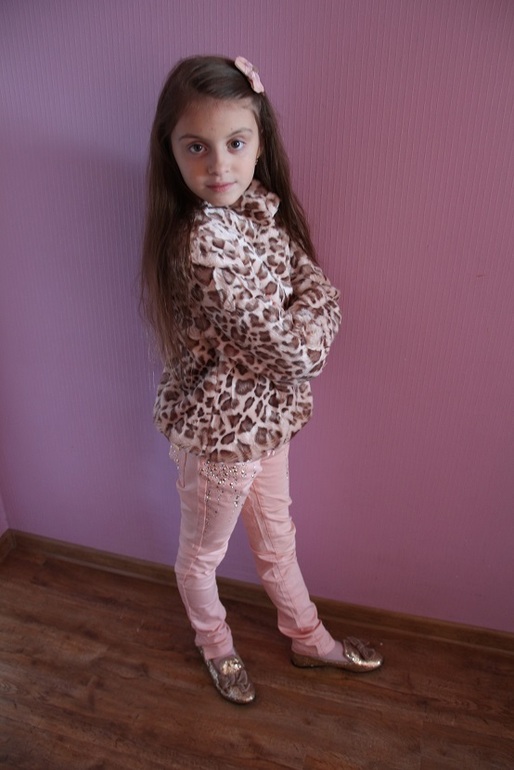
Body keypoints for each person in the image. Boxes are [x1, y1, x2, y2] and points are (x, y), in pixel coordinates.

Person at [141, 54, 383, 705]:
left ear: (259, 142)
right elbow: (295, 351)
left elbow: (315, 285)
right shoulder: (200, 244)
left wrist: (314, 306)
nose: (219, 166)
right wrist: (314, 313)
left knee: (278, 538)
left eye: (236, 142)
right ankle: (214, 644)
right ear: (171, 151)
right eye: (196, 147)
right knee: (203, 554)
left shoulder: (258, 214)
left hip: (267, 420)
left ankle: (308, 637)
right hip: (221, 433)